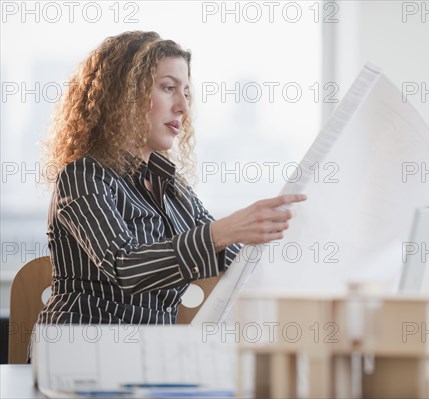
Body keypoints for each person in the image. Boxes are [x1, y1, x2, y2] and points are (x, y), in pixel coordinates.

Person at [36, 31, 306, 327]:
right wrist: (223, 231)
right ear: (123, 94)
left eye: (186, 93)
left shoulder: (173, 190)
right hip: (81, 351)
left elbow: (238, 265)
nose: (183, 107)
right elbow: (125, 267)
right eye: (168, 88)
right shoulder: (83, 175)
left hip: (149, 354)